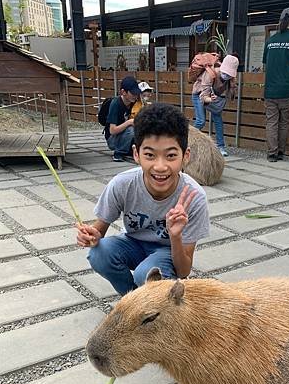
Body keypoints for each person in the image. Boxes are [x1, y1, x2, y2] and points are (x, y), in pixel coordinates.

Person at [76, 103, 210, 296]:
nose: (160, 166)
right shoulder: (122, 184)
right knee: (99, 253)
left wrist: (176, 236)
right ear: (136, 154)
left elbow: (184, 271)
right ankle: (133, 301)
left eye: (171, 155)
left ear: (185, 156)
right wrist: (90, 235)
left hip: (167, 253)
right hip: (133, 244)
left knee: (144, 274)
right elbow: (98, 232)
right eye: (150, 155)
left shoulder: (194, 197)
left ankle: (151, 303)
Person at [263, 7, 289, 162]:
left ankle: (271, 153)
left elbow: (266, 64)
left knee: (271, 122)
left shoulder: (270, 41)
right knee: (284, 122)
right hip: (286, 89)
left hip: (270, 89)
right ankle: (280, 152)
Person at [198, 54, 239, 156]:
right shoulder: (210, 74)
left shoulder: (229, 80)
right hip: (199, 95)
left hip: (213, 98)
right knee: (201, 121)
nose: (226, 76)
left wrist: (233, 86)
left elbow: (231, 98)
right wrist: (210, 99)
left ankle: (221, 147)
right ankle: (186, 139)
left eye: (229, 74)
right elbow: (203, 97)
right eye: (225, 73)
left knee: (218, 120)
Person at [105, 75, 140, 162]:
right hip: (112, 139)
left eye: (137, 93)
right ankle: (118, 153)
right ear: (123, 92)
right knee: (131, 129)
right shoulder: (115, 104)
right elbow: (112, 131)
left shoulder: (134, 103)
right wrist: (129, 122)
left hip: (126, 136)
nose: (135, 96)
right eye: (133, 93)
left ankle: (131, 150)